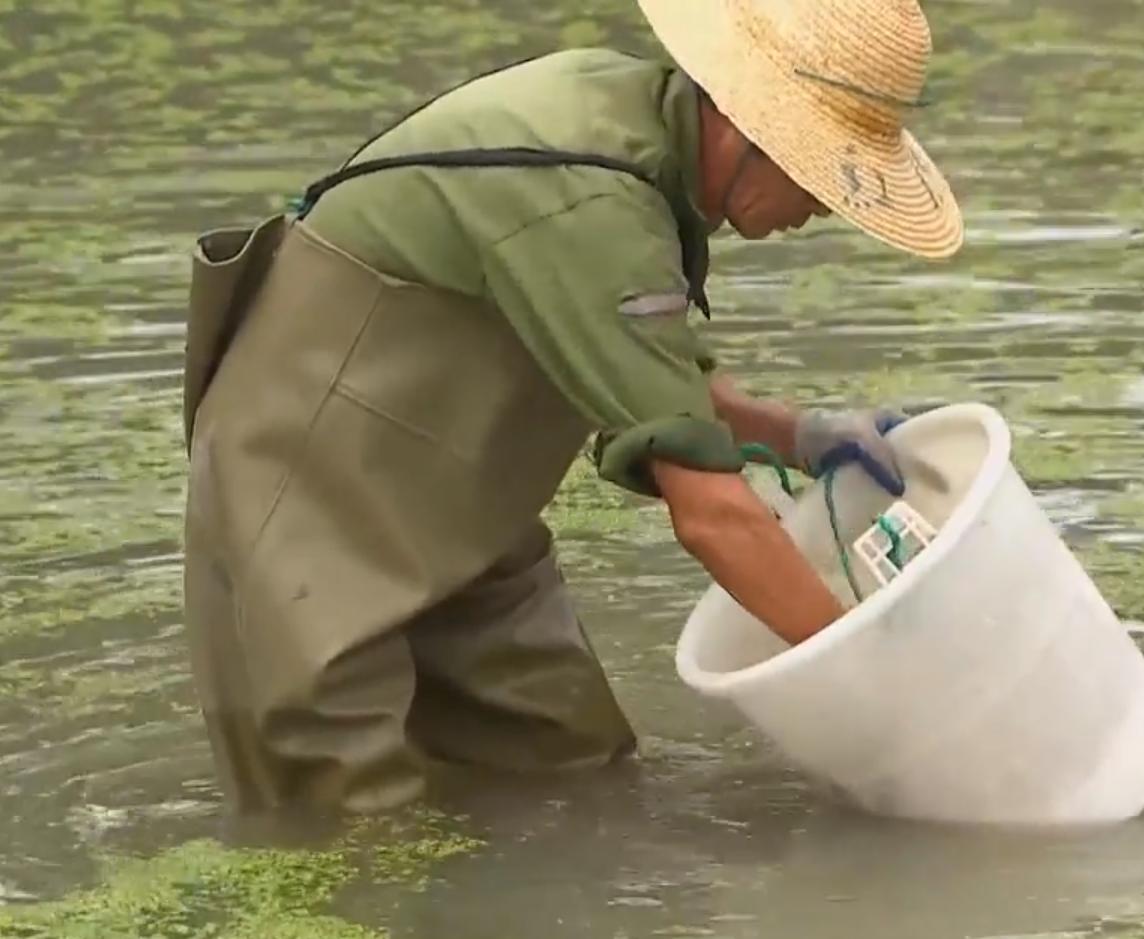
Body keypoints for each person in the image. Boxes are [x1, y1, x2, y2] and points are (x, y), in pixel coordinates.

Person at [181, 0, 963, 814]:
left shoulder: (638, 135)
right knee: (351, 836)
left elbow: (643, 373)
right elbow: (715, 518)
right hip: (309, 501)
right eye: (822, 170)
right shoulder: (593, 198)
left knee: (575, 775)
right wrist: (874, 676)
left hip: (456, 498)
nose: (826, 205)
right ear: (738, 120)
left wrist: (796, 436)